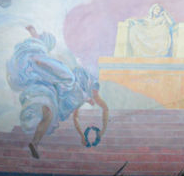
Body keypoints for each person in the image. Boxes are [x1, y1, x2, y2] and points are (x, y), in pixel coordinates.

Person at [7, 25, 109, 158]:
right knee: (65, 80)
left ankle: (35, 143)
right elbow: (100, 107)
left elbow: (77, 116)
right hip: (50, 87)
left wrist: (88, 134)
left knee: (48, 115)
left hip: (51, 94)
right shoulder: (77, 82)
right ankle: (35, 141)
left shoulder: (78, 94)